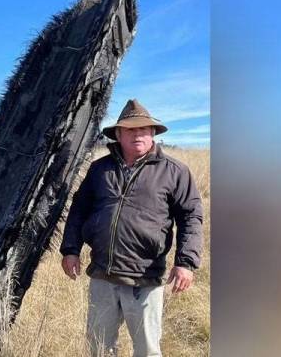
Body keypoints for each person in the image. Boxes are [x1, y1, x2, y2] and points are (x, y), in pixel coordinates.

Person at [60, 99, 203, 357]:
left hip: (144, 279)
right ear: (118, 134)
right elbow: (79, 209)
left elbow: (191, 217)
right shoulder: (99, 169)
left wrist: (186, 262)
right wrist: (70, 249)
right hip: (102, 275)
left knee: (147, 351)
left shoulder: (175, 171)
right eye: (130, 129)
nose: (138, 134)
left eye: (144, 129)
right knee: (99, 348)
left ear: (153, 134)